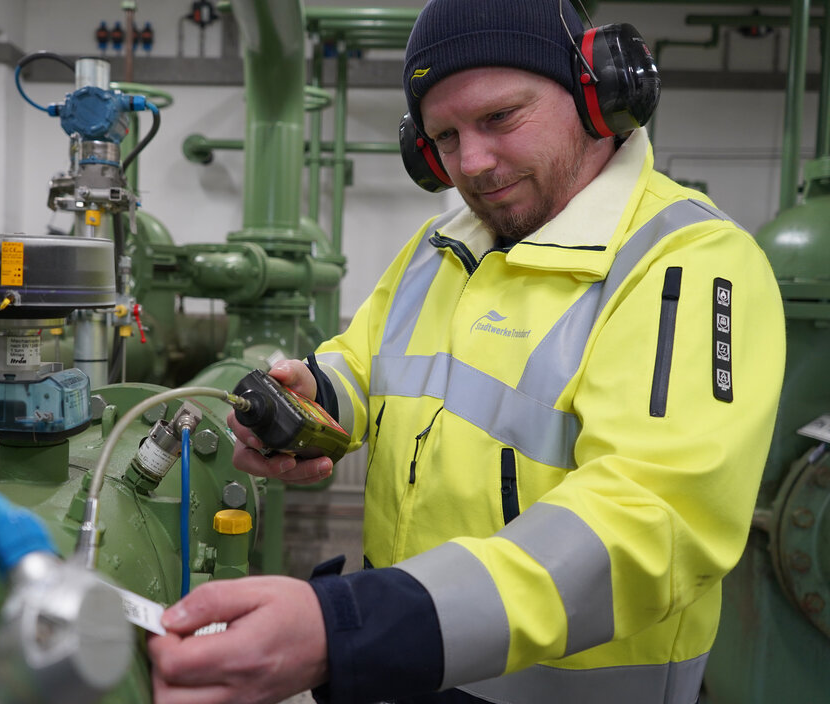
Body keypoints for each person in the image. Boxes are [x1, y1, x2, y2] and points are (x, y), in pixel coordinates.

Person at [148, 0, 786, 702]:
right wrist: (317, 396)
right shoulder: (445, 245)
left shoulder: (686, 263)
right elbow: (364, 361)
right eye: (444, 137)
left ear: (597, 95)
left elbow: (651, 521)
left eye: (499, 118)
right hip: (404, 664)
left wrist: (354, 626)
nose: (472, 164)